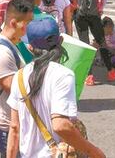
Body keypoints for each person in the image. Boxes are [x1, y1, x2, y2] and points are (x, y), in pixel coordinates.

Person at [6, 16, 106, 158]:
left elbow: (14, 128)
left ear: (30, 48)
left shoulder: (19, 76)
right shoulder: (63, 75)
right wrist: (93, 151)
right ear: (61, 41)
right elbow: (60, 125)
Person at [0, 0, 33, 154]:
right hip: (7, 128)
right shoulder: (1, 53)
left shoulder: (13, 43)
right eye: (28, 23)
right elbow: (17, 91)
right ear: (13, 23)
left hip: (17, 125)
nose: (30, 28)